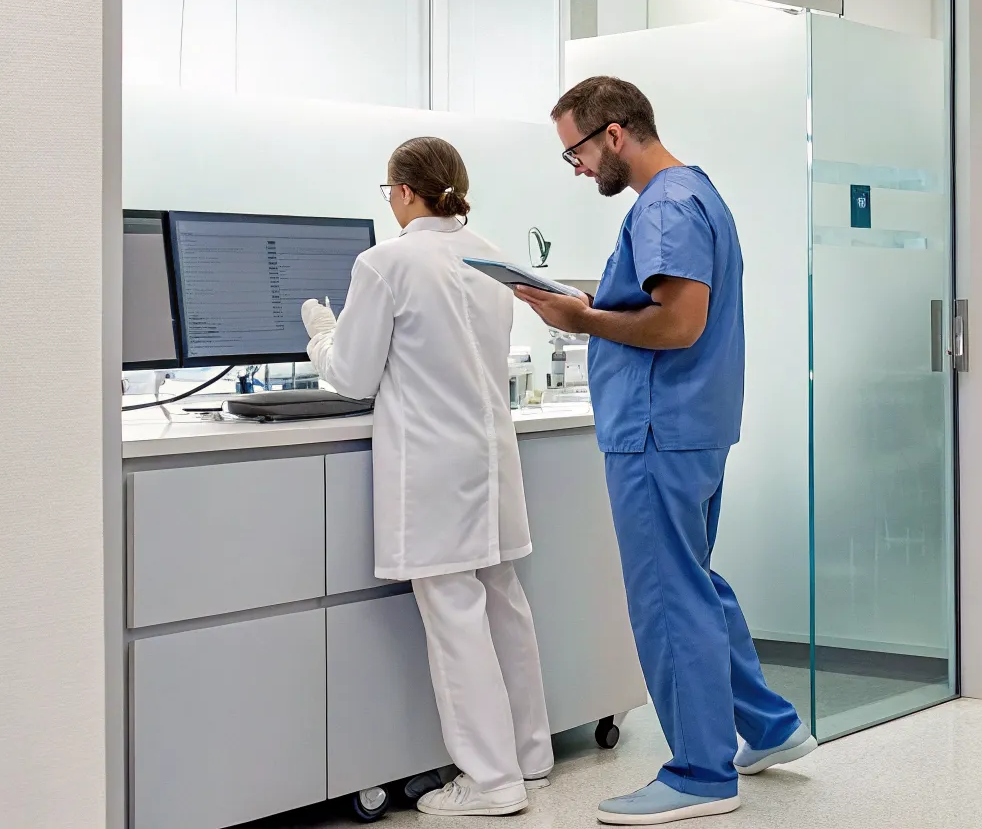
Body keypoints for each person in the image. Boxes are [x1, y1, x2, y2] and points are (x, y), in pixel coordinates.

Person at [516, 76, 814, 824]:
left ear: (614, 134)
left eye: (576, 152)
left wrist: (581, 320)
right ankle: (769, 726)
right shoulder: (697, 193)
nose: (578, 168)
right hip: (691, 425)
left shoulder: (667, 206)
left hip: (657, 428)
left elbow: (677, 324)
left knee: (666, 595)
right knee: (695, 582)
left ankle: (699, 774)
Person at [300, 137, 554, 818]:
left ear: (405, 192)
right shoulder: (490, 255)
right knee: (504, 601)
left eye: (389, 191)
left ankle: (491, 782)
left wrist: (321, 332)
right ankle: (530, 757)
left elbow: (351, 375)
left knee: (454, 616)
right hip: (490, 460)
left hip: (435, 470)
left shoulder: (387, 261)